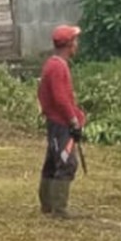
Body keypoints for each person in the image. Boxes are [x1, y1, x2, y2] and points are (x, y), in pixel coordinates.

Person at [37, 25, 86, 218]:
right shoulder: (58, 67)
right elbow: (60, 98)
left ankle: (47, 203)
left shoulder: (53, 64)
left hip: (56, 121)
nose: (77, 44)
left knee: (53, 160)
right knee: (66, 163)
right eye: (76, 40)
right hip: (60, 123)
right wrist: (73, 121)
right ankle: (59, 208)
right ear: (69, 45)